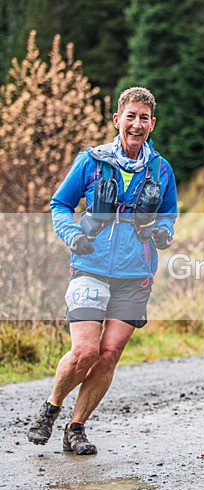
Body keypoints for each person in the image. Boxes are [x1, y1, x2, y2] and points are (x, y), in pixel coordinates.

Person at [27, 87, 178, 455]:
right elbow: (60, 204)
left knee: (109, 355)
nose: (137, 124)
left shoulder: (161, 169)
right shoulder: (91, 161)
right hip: (90, 266)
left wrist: (163, 231)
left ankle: (76, 428)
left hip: (135, 275)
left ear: (152, 124)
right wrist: (72, 234)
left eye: (144, 118)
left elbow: (169, 213)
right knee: (85, 351)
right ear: (117, 120)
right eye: (131, 116)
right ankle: (52, 407)